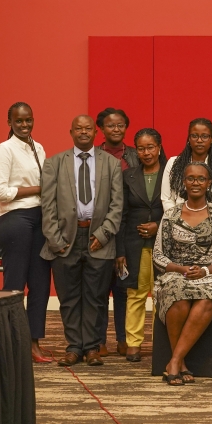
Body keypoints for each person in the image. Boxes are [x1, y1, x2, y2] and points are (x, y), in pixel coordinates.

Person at [40, 115, 123, 366]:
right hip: (65, 239)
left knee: (96, 297)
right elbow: (48, 205)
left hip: (99, 239)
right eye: (79, 128)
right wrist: (55, 239)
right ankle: (74, 347)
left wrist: (103, 234)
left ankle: (92, 348)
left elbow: (117, 205)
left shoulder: (111, 163)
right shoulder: (54, 163)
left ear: (95, 133)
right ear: (71, 132)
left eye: (88, 128)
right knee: (69, 297)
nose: (84, 132)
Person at [153, 162, 212, 385]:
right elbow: (159, 255)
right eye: (191, 178)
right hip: (176, 272)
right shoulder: (170, 215)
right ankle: (179, 363)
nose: (196, 183)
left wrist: (206, 271)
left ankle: (174, 361)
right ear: (183, 182)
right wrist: (180, 269)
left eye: (201, 179)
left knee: (209, 296)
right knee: (176, 293)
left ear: (209, 183)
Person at [0, 102, 52, 363]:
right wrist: (39, 188)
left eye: (28, 120)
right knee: (15, 284)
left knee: (40, 284)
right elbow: (0, 192)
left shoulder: (38, 148)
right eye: (19, 121)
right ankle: (10, 343)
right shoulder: (4, 150)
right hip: (14, 218)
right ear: (10, 122)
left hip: (39, 218)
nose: (24, 125)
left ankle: (33, 343)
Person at [115, 128, 165, 363]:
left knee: (160, 294)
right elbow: (121, 215)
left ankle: (159, 342)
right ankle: (133, 343)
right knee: (135, 293)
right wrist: (120, 250)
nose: (146, 153)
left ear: (159, 147)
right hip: (134, 244)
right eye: (141, 148)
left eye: (150, 147)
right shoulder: (128, 176)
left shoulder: (170, 174)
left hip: (164, 244)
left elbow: (177, 210)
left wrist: (158, 224)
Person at [96, 108, 139, 357]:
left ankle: (123, 340)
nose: (116, 129)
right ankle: (99, 340)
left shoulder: (134, 156)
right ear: (101, 128)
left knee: (124, 288)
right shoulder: (93, 156)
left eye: (121, 125)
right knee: (100, 289)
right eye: (111, 125)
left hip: (128, 229)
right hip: (100, 228)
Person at [160, 118, 212, 215]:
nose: (199, 140)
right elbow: (167, 199)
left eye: (204, 136)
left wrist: (210, 222)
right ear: (189, 139)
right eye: (195, 136)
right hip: (178, 222)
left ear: (211, 139)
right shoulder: (173, 163)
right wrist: (180, 220)